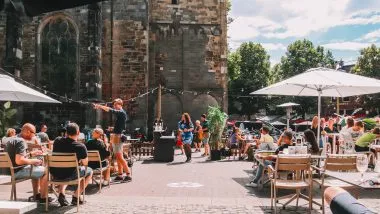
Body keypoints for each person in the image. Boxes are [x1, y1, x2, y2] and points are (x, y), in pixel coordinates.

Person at [5, 123, 51, 203]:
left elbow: (18, 157)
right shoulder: (21, 142)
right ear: (28, 132)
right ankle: (43, 197)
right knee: (45, 171)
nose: (34, 136)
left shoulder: (12, 140)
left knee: (36, 168)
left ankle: (36, 195)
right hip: (15, 172)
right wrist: (34, 160)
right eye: (34, 133)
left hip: (7, 172)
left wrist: (31, 154)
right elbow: (19, 161)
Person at [51, 123, 93, 206]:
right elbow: (85, 163)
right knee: (89, 171)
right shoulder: (80, 146)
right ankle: (76, 196)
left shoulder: (57, 141)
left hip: (55, 173)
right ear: (78, 133)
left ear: (66, 132)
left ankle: (61, 194)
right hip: (70, 174)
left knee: (67, 169)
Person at [93, 98, 132, 182]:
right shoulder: (120, 114)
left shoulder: (121, 112)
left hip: (118, 137)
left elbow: (110, 110)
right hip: (116, 136)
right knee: (118, 157)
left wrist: (99, 106)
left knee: (119, 157)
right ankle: (120, 175)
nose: (114, 106)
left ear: (120, 104)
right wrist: (113, 129)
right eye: (114, 105)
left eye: (115, 104)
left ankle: (128, 175)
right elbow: (120, 126)